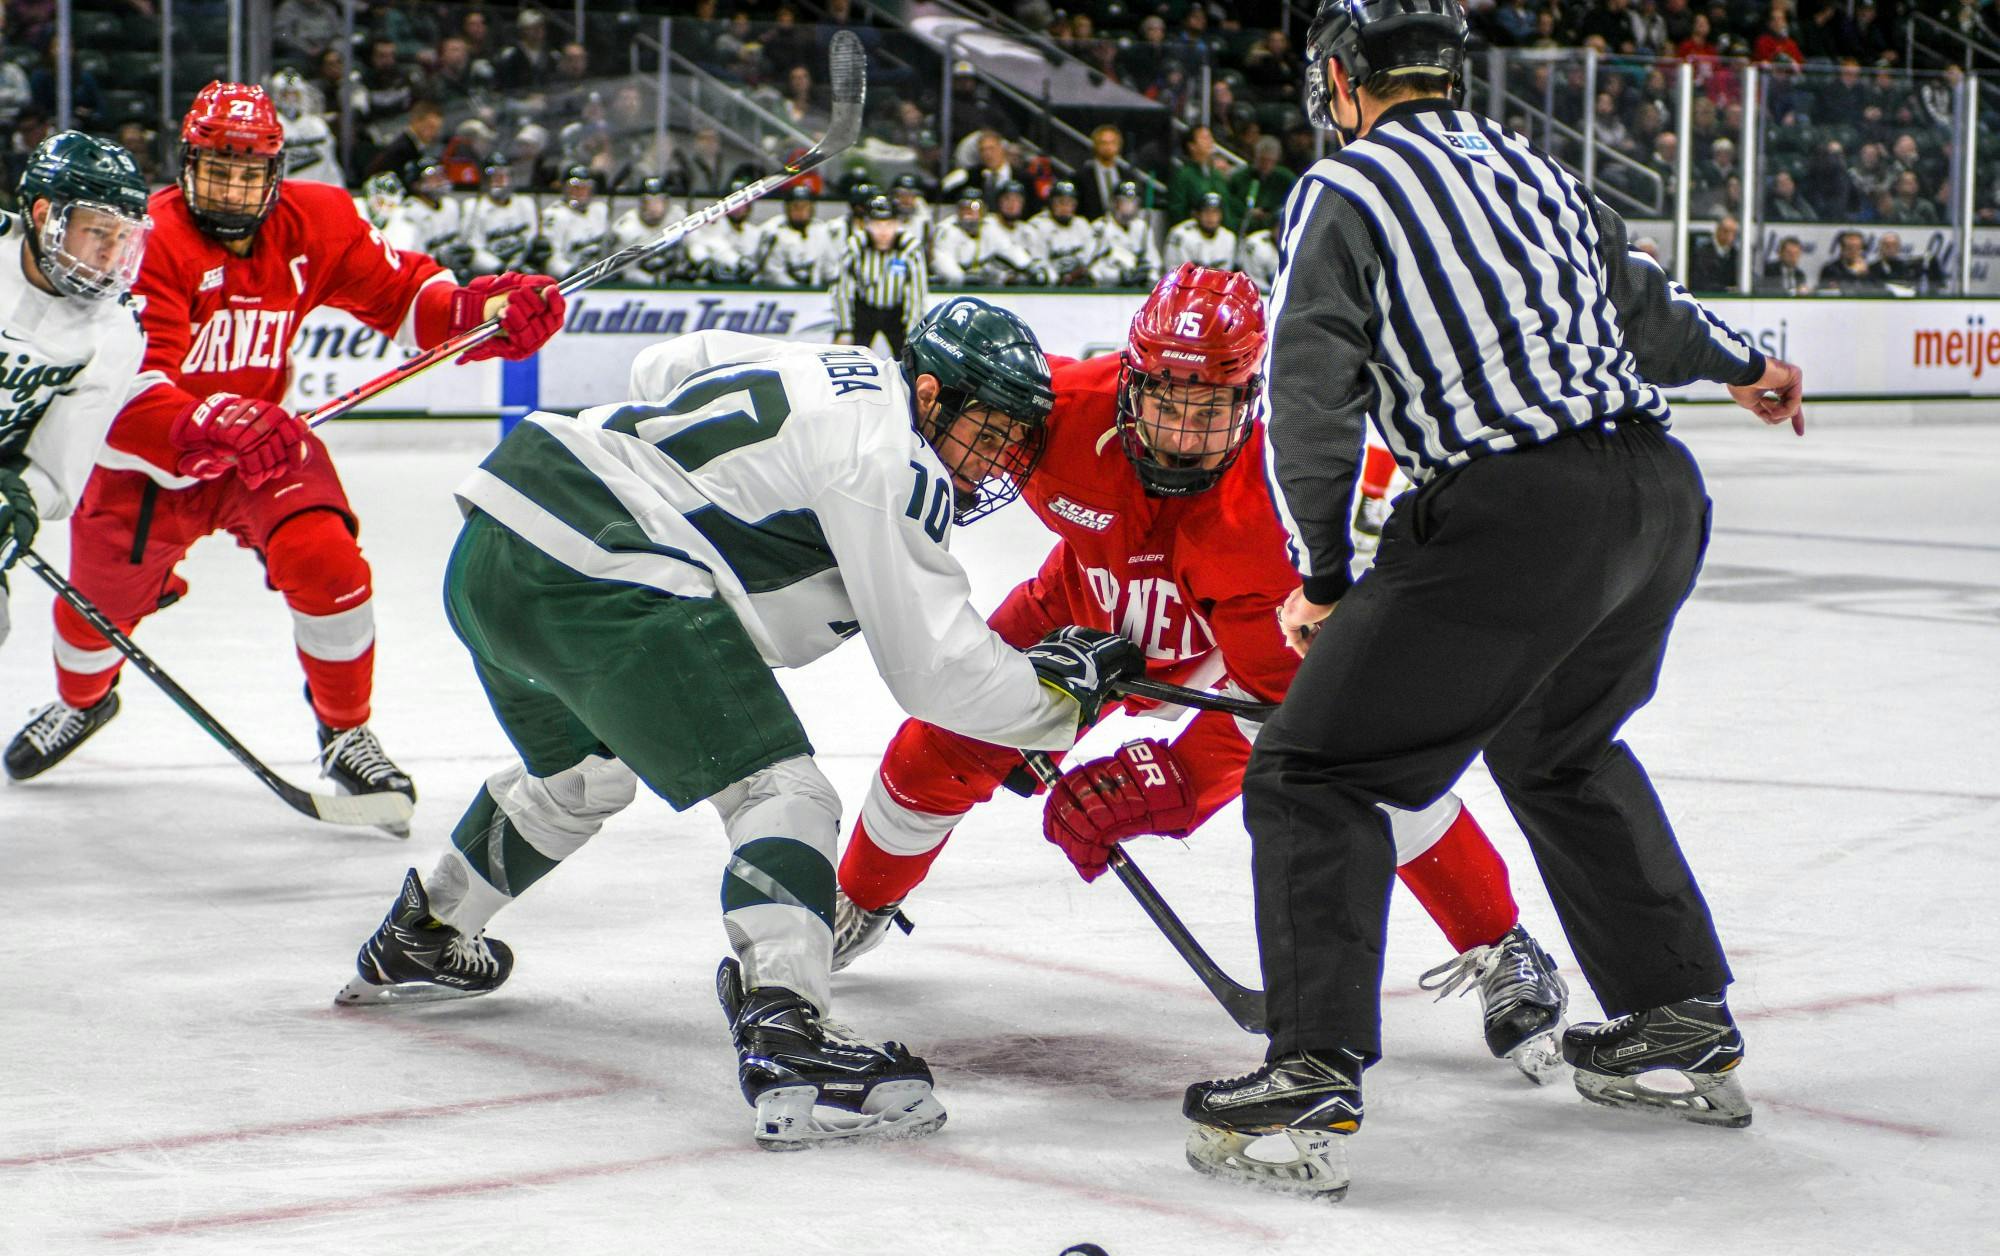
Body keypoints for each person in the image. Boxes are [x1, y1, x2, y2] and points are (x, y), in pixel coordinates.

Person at [1182, 0, 1803, 1199]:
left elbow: (1310, 397)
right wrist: (1747, 366)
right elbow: (1645, 312)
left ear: (1340, 80)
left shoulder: (1346, 185)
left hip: (1514, 511)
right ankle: (1675, 1013)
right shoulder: (1540, 171)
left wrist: (1319, 575)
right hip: (1655, 500)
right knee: (1556, 747)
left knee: (1311, 769)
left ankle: (1308, 1069)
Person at [334, 300, 1145, 1149]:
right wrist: (1061, 698)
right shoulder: (893, 461)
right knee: (784, 791)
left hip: (499, 540)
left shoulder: (840, 367)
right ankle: (789, 1037)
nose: (1001, 463)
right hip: (601, 568)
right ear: (932, 393)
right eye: (990, 432)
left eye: (1019, 441)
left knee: (582, 777)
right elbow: (934, 672)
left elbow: (668, 365)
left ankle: (423, 934)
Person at [836, 266, 1570, 1080]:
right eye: (1166, 402)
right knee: (945, 735)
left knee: (1360, 765)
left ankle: (1503, 944)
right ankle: (858, 899)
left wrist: (1175, 776)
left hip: (1230, 629)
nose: (1184, 435)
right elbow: (957, 403)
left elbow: (1285, 712)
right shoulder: (1063, 411)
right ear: (1129, 379)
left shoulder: (1274, 509)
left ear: (1250, 398)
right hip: (1084, 600)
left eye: (1211, 409)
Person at [3, 84, 564, 808]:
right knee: (89, 620)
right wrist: (208, 421)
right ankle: (83, 699)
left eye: (249, 172)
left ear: (275, 172)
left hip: (261, 448)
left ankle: (345, 731)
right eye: (216, 169)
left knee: (329, 563)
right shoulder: (147, 238)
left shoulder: (320, 218)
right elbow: (125, 393)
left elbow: (404, 298)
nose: (233, 189)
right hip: (146, 461)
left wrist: (481, 311)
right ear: (187, 164)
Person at [0, 133, 151, 656]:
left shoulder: (116, 333)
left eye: (123, 237)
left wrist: (13, 501)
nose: (111, 253)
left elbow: (56, 477)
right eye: (97, 232)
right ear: (44, 215)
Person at [832, 192, 926, 357]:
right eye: (877, 224)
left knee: (910, 360)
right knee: (848, 358)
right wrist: (844, 328)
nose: (883, 232)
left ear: (898, 223)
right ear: (866, 224)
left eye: (889, 224)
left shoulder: (910, 246)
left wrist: (913, 331)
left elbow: (917, 292)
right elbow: (842, 289)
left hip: (897, 313)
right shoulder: (855, 244)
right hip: (864, 311)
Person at [382, 155, 470, 279]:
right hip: (424, 279)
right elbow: (407, 261)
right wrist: (437, 258)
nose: (440, 180)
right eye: (433, 177)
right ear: (416, 184)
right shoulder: (407, 213)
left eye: (441, 174)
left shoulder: (451, 205)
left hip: (452, 273)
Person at [932, 188, 1037, 287]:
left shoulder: (989, 227)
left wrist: (1031, 268)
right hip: (951, 289)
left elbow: (1010, 249)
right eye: (965, 208)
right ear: (958, 210)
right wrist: (963, 278)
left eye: (975, 208)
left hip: (982, 286)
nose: (970, 213)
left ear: (983, 211)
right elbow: (946, 266)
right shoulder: (946, 229)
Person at [465, 152, 539, 276]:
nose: (500, 180)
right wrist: (501, 268)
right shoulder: (473, 207)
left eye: (504, 175)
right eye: (494, 176)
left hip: (523, 270)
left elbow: (532, 238)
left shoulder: (526, 203)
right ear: (485, 179)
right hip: (491, 274)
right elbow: (474, 250)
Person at [268, 69, 343, 187]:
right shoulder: (269, 125)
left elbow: (329, 164)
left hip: (316, 188)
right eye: (285, 94)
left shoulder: (317, 126)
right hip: (283, 191)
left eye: (295, 94)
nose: (291, 99)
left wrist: (336, 188)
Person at [610, 176, 687, 287]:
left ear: (667, 203)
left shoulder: (679, 218)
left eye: (659, 201)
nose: (654, 207)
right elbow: (626, 271)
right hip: (639, 288)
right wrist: (654, 281)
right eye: (649, 201)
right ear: (641, 203)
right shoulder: (625, 228)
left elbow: (689, 253)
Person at [539, 163, 610, 280]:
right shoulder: (554, 215)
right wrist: (573, 273)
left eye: (586, 187)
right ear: (564, 189)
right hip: (568, 280)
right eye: (575, 187)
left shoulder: (600, 211)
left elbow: (607, 249)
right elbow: (551, 260)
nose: (581, 192)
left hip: (598, 277)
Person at [755, 183, 834, 288]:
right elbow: (773, 272)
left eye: (805, 206)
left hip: (814, 295)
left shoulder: (821, 231)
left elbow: (830, 268)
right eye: (795, 206)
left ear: (812, 208)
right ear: (787, 208)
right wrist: (798, 292)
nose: (800, 211)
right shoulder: (773, 231)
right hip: (780, 293)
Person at [1025, 180, 1098, 286]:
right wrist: (1062, 278)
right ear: (1051, 203)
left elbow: (1089, 258)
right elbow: (1038, 263)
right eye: (1060, 202)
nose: (1065, 207)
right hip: (1049, 287)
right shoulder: (1038, 225)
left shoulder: (1082, 224)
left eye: (1069, 203)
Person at [1093, 180, 1160, 287]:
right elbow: (1092, 267)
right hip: (1107, 289)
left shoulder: (1142, 228)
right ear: (1114, 204)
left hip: (1136, 287)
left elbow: (1154, 262)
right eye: (1124, 202)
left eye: (1133, 202)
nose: (1129, 207)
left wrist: (1146, 275)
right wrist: (1118, 276)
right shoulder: (1101, 227)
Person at [1163, 191, 1237, 271]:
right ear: (1196, 214)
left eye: (1215, 212)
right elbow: (1174, 273)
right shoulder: (1180, 235)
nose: (1210, 217)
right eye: (1206, 212)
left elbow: (1226, 275)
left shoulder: (1229, 238)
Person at [1687, 215, 1740, 294]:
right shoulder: (1701, 253)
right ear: (1718, 231)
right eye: (1726, 231)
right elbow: (1698, 282)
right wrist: (1725, 289)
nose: (1730, 236)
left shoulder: (1736, 254)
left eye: (1733, 232)